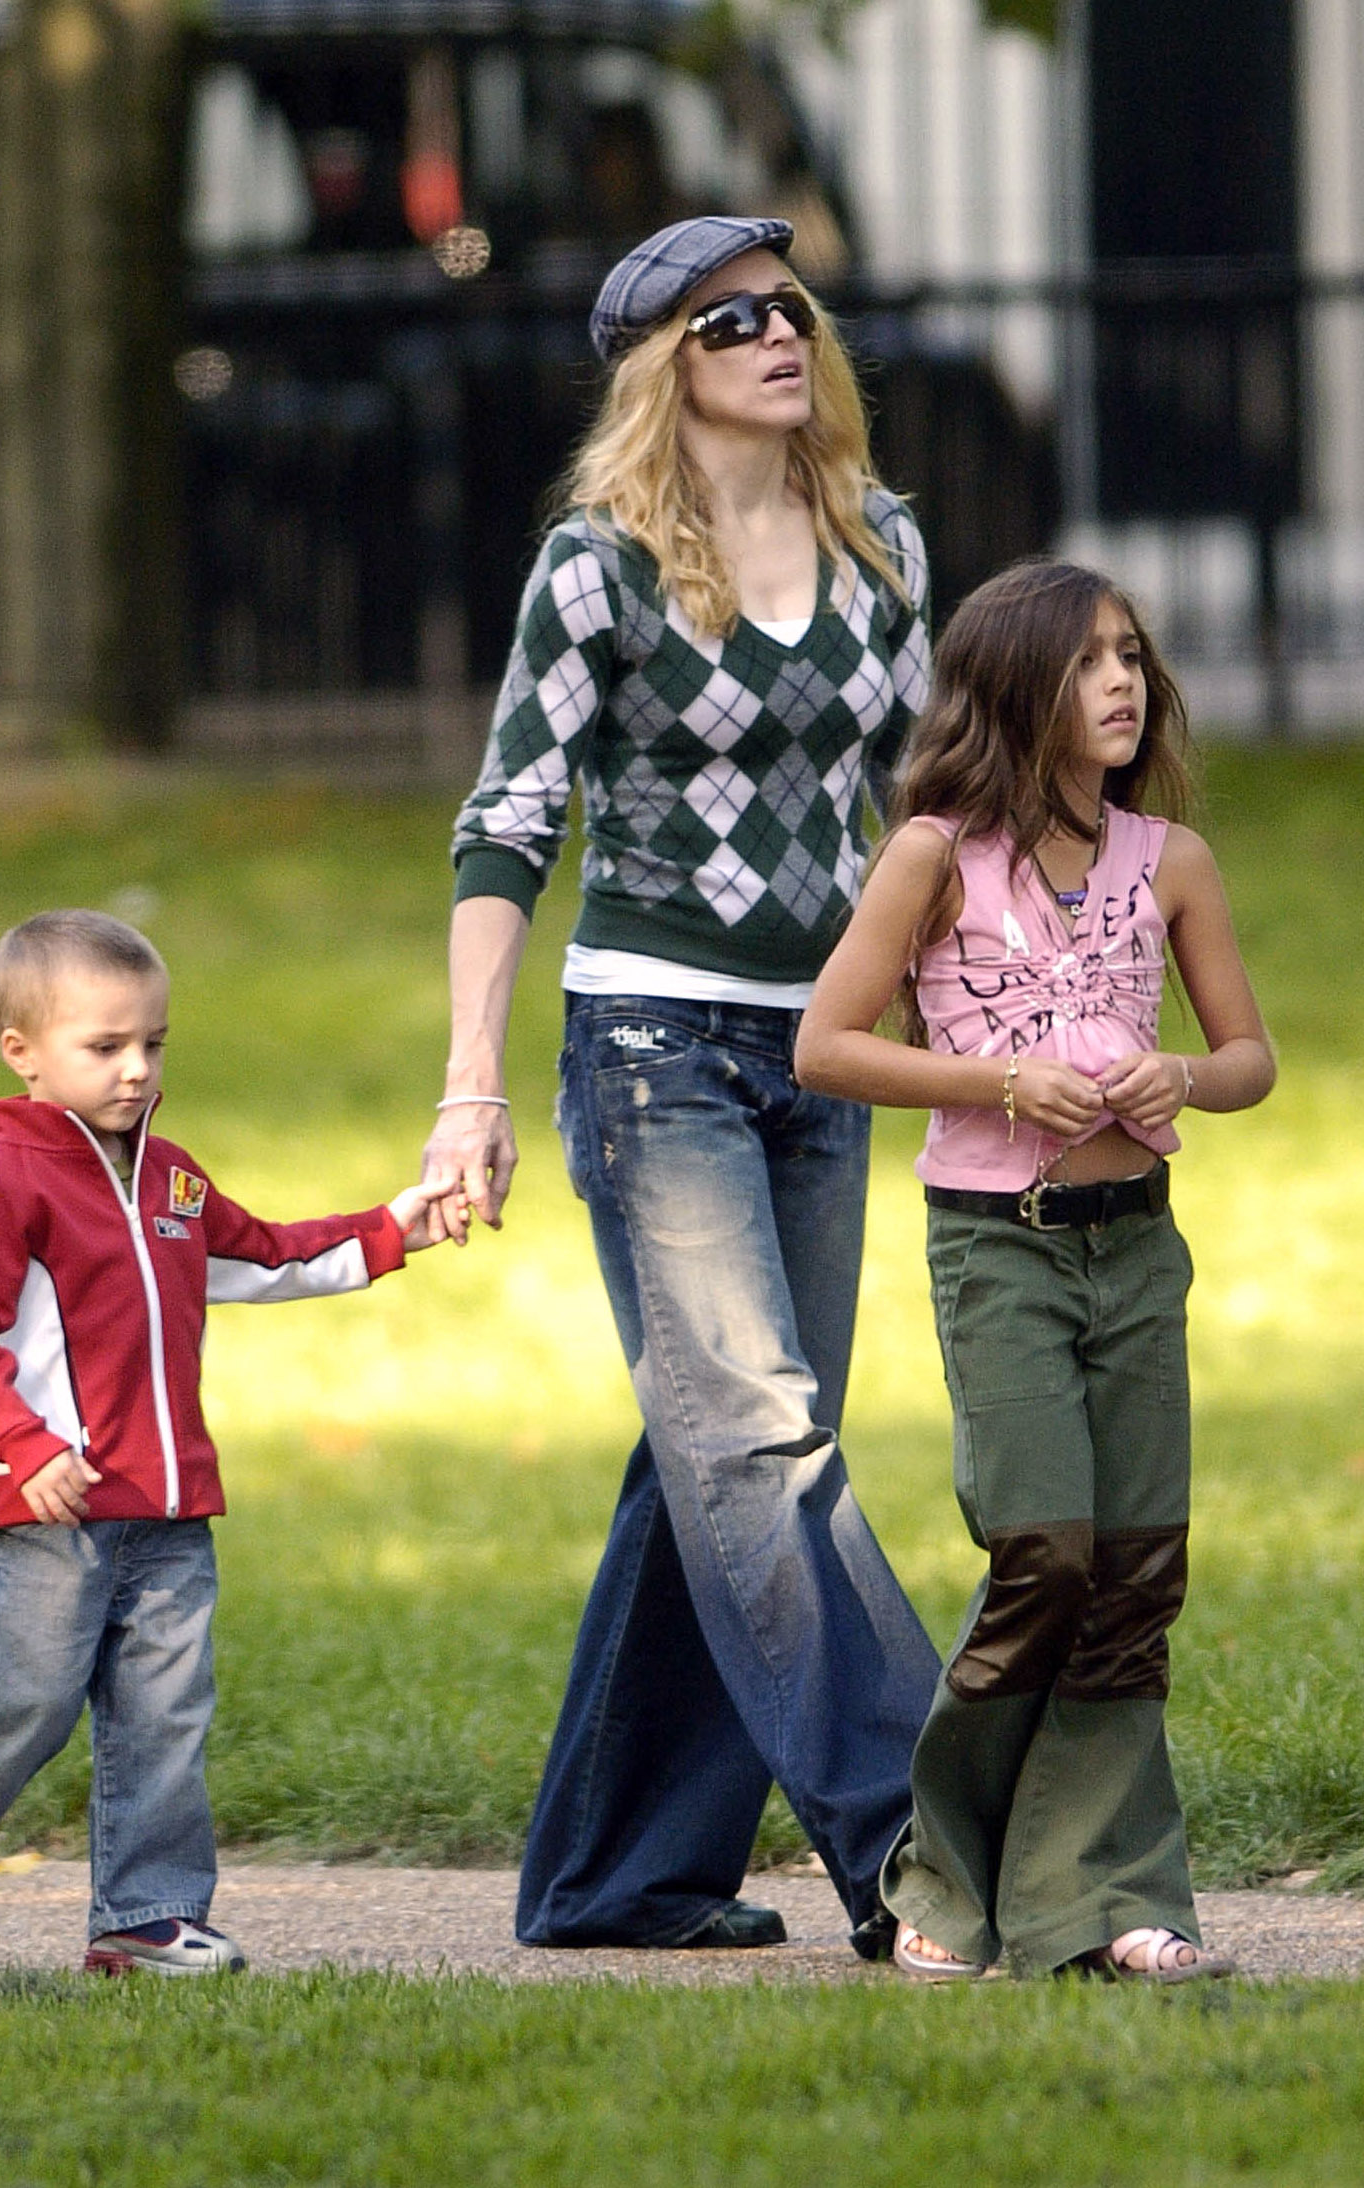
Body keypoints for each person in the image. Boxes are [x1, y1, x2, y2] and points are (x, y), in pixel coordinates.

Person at [426, 214, 942, 1954]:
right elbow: (505, 822)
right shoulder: (599, 565)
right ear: (667, 366)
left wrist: (988, 1037)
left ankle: (612, 1874)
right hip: (654, 1049)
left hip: (822, 1053)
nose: (776, 333)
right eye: (731, 320)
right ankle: (936, 1845)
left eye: (789, 307)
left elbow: (916, 818)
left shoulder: (885, 548)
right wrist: (467, 1090)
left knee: (715, 1457)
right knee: (759, 1444)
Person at [794, 559, 1276, 1980]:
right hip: (997, 1253)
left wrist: (1177, 1072)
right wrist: (999, 1080)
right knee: (1043, 1552)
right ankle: (944, 1878)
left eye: (1130, 655)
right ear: (1015, 689)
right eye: (1086, 662)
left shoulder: (1167, 861)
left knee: (1133, 1574)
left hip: (1137, 1250)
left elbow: (1248, 1058)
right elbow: (824, 1043)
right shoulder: (933, 856)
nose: (1121, 682)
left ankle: (1110, 1898)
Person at [0, 909, 454, 1976]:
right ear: (22, 1052)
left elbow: (261, 1255)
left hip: (173, 1511)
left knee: (164, 1717)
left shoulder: (171, 1179)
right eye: (105, 1047)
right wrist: (23, 1445)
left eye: (153, 1044)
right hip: (55, 1510)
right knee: (22, 1704)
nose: (136, 1069)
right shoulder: (7, 1185)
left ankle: (145, 1912)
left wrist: (388, 1229)